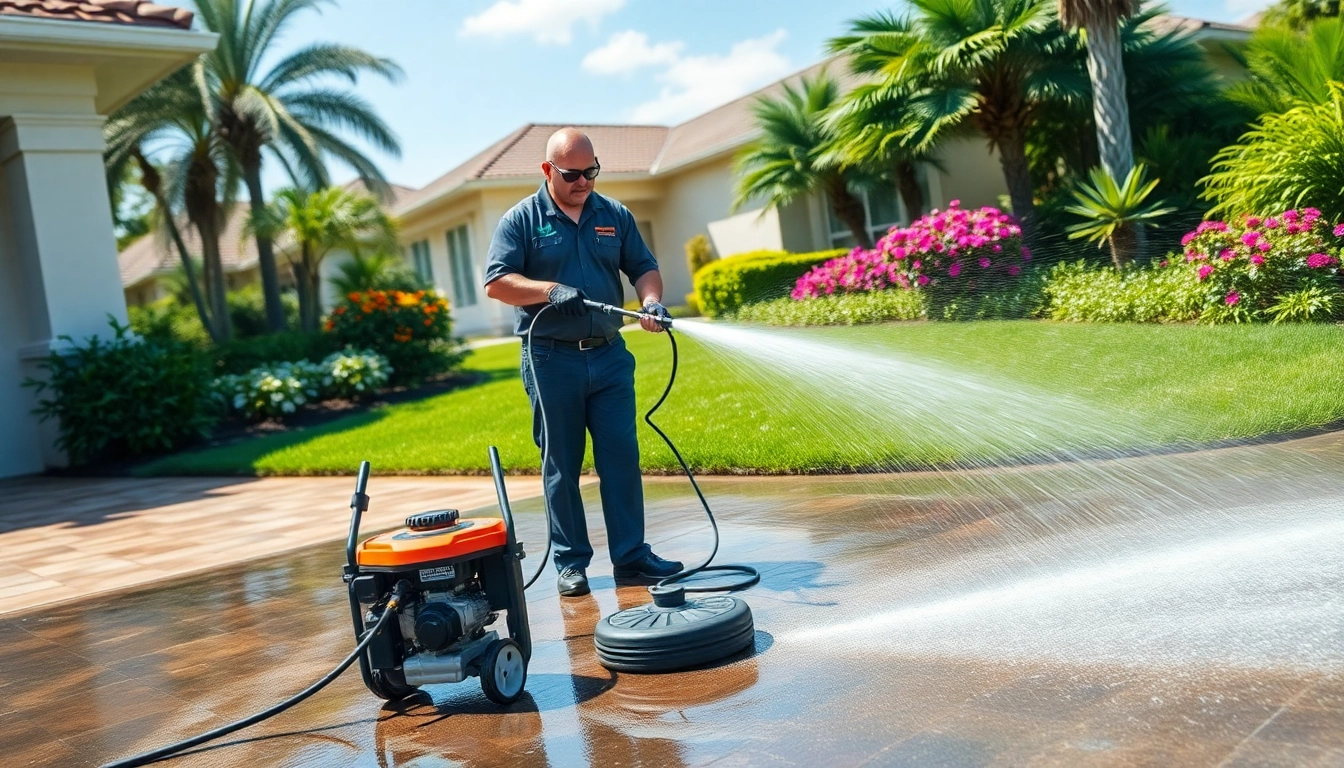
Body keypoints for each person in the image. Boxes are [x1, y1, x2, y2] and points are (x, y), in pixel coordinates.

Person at [483, 128, 682, 598]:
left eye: (591, 172)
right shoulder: (522, 220)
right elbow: (497, 282)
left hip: (610, 358)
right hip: (551, 359)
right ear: (548, 170)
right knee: (561, 466)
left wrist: (651, 302)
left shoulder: (614, 215)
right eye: (572, 174)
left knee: (621, 458)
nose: (583, 182)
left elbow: (643, 268)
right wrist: (548, 291)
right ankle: (571, 563)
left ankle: (631, 557)